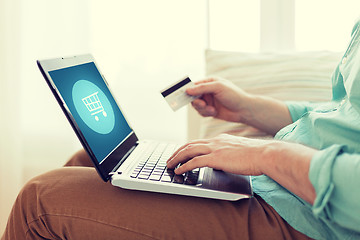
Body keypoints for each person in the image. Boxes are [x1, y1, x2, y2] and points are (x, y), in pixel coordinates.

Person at [2, 21, 360, 240]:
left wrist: (264, 154)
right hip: (283, 186)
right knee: (93, 160)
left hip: (311, 218)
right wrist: (247, 106)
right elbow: (341, 114)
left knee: (39, 202)